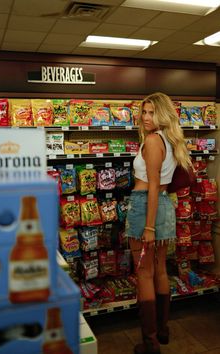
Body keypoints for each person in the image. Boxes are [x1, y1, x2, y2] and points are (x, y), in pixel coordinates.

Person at [125, 92, 192, 354]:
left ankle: (150, 343)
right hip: (164, 205)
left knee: (144, 273)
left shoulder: (153, 141)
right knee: (160, 270)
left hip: (146, 207)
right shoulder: (171, 140)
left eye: (152, 112)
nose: (146, 117)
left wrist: (149, 227)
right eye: (143, 112)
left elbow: (152, 186)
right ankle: (162, 331)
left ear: (163, 114)